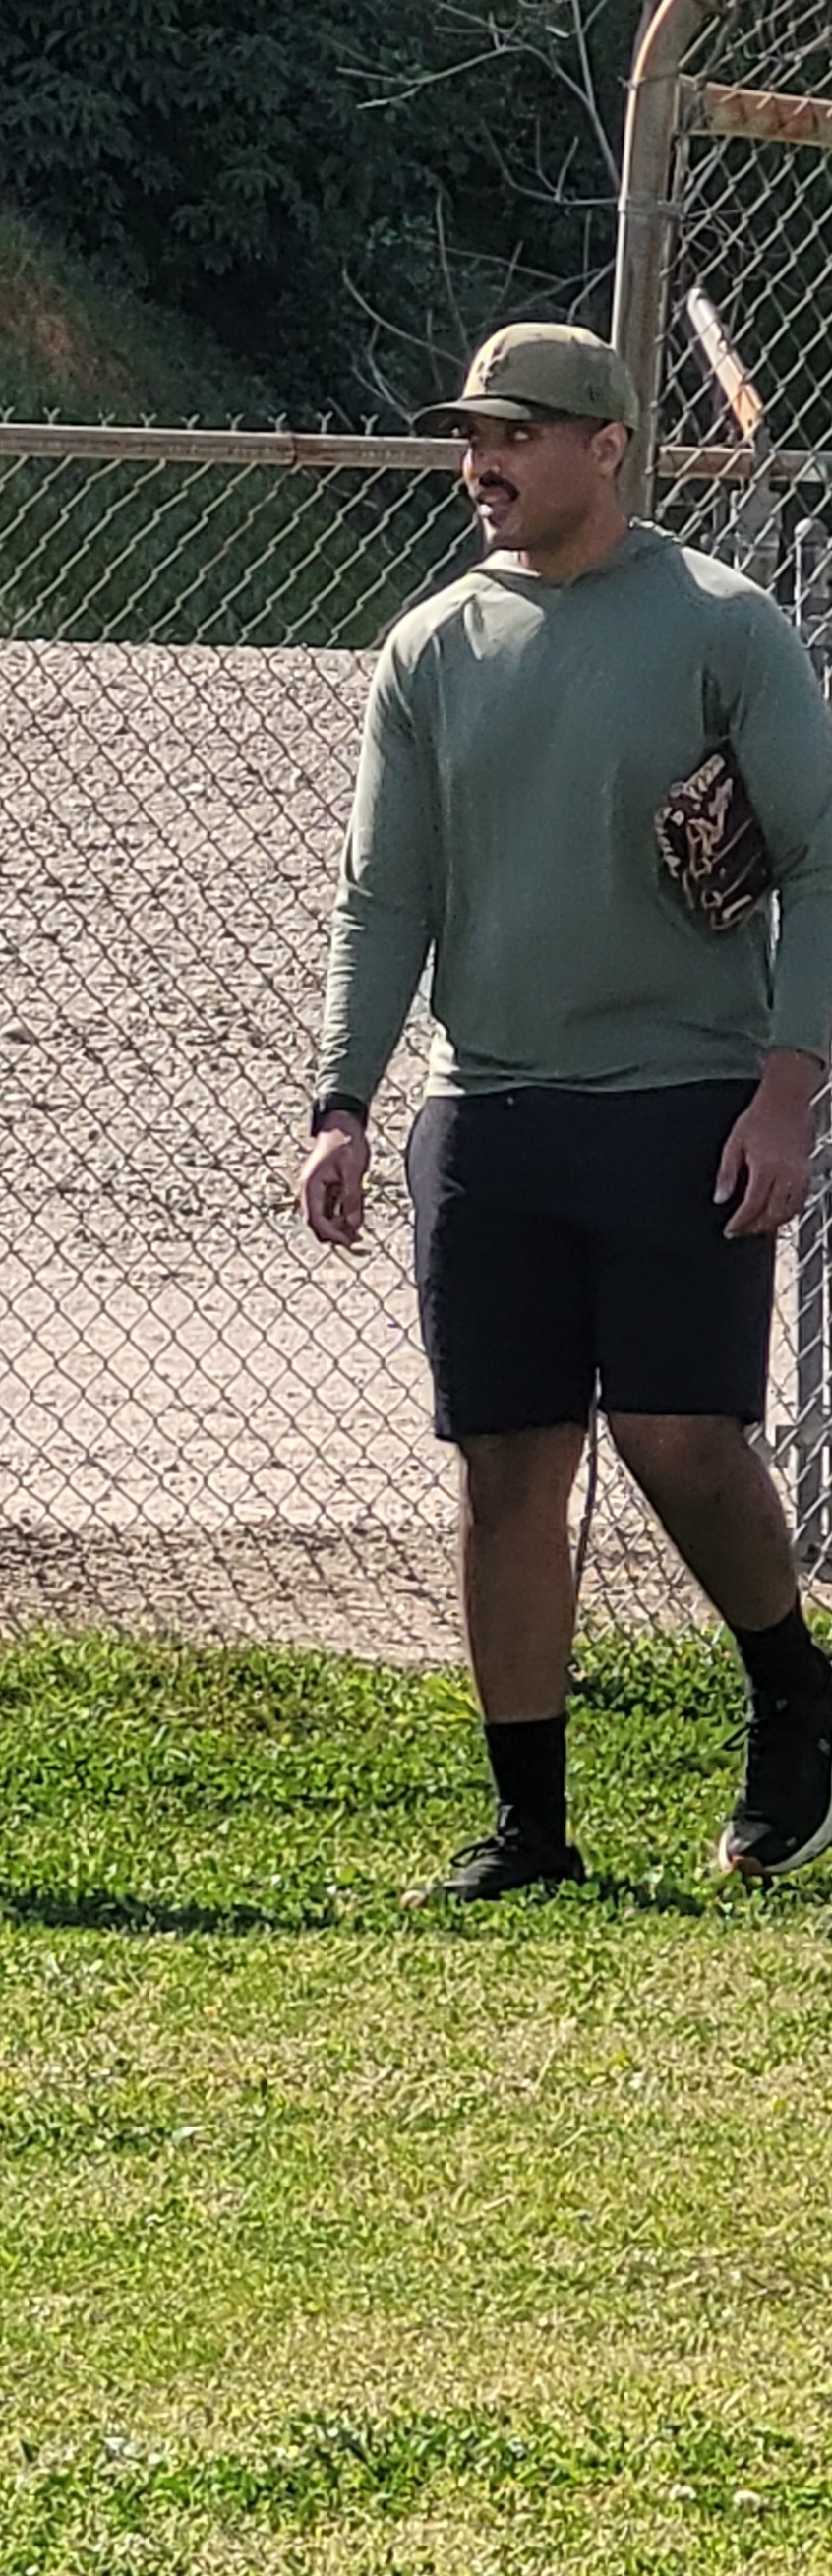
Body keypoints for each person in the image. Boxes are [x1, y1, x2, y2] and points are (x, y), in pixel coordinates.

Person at [302, 320, 832, 1899]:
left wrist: (789, 1091)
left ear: (607, 447)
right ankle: (529, 1827)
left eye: (518, 434)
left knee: (679, 1435)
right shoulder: (432, 647)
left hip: (685, 1093)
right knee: (508, 1463)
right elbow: (383, 897)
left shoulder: (723, 625)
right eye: (474, 435)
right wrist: (343, 1099)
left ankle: (798, 1696)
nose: (485, 462)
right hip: (490, 1109)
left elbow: (819, 863)